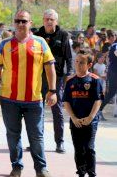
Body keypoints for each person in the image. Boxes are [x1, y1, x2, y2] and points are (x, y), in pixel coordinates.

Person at [0, 10, 57, 177]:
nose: (21, 24)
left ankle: (41, 169)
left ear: (31, 23)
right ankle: (16, 166)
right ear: (14, 23)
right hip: (9, 99)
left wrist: (52, 91)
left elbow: (50, 67)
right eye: (18, 21)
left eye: (24, 21)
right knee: (13, 136)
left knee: (36, 136)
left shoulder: (40, 42)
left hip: (34, 99)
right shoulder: (4, 44)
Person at [35, 9, 72, 153]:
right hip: (38, 77)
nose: (49, 21)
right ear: (43, 20)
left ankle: (60, 142)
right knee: (37, 110)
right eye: (46, 19)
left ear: (56, 21)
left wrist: (69, 73)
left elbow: (69, 57)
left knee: (57, 110)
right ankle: (37, 142)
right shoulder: (37, 35)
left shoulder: (63, 35)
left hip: (56, 78)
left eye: (52, 19)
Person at [63, 48, 104, 177]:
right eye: (76, 61)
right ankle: (81, 172)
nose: (78, 65)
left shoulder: (94, 80)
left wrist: (91, 117)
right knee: (78, 148)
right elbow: (66, 102)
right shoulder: (70, 81)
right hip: (76, 120)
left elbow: (98, 101)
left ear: (89, 65)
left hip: (90, 120)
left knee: (89, 147)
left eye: (81, 62)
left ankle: (92, 173)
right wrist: (74, 118)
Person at [98, 40, 117, 117]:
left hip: (113, 72)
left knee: (110, 94)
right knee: (110, 94)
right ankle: (98, 110)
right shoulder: (115, 45)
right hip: (114, 73)